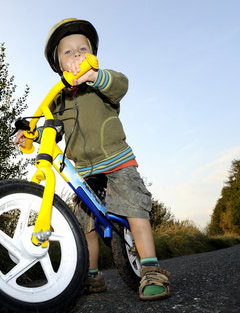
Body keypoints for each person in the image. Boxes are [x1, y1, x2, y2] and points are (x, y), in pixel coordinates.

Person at [14, 18, 170, 301]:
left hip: (116, 161)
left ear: (92, 55)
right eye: (68, 51)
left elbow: (121, 85)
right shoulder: (57, 100)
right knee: (84, 224)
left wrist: (94, 76)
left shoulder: (101, 82)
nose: (76, 55)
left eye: (82, 49)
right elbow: (47, 126)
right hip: (83, 171)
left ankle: (151, 270)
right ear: (58, 63)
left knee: (134, 208)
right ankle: (92, 274)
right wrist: (30, 136)